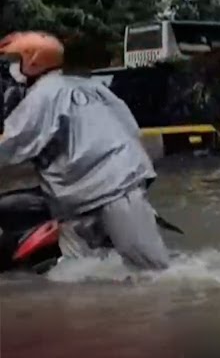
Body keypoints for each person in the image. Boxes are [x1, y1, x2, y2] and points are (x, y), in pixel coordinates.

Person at [0, 32, 171, 271]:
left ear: (33, 61)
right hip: (96, 192)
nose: (12, 69)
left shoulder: (44, 94)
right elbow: (131, 128)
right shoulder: (92, 88)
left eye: (15, 61)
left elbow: (11, 142)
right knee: (78, 275)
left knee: (152, 273)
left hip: (107, 190)